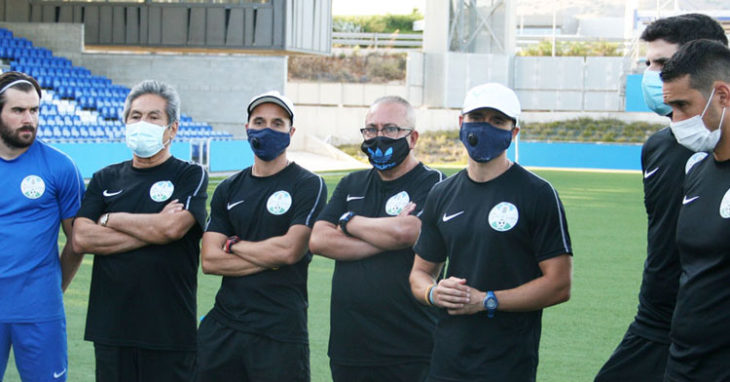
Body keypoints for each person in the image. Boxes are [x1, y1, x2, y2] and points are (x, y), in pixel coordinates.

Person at [595, 14, 728, 381]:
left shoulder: (716, 145)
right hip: (655, 320)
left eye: (664, 63)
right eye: (648, 63)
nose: (652, 75)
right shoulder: (656, 147)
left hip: (707, 332)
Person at [409, 83, 573, 381]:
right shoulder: (441, 193)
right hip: (447, 361)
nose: (485, 128)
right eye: (477, 118)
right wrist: (433, 292)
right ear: (461, 123)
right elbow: (419, 274)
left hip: (508, 364)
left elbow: (559, 285)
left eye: (497, 121)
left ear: (514, 133)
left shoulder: (537, 193)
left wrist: (487, 300)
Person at [71, 80, 208, 381]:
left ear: (172, 128)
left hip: (168, 331)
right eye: (135, 116)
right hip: (110, 330)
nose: (142, 123)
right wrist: (152, 227)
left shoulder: (190, 175)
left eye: (153, 117)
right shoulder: (105, 178)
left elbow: (172, 229)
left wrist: (108, 219)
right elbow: (81, 237)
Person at [309, 95, 444, 382]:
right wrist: (386, 236)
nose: (378, 137)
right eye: (371, 129)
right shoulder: (351, 184)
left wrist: (347, 222)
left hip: (411, 348)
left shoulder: (433, 183)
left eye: (391, 129)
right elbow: (319, 240)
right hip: (350, 349)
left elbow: (408, 232)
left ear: (413, 137)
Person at [196, 90, 326, 382]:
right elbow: (210, 261)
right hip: (223, 328)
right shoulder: (228, 188)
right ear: (247, 128)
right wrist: (271, 257)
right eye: (259, 121)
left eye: (277, 123)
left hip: (280, 332)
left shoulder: (308, 184)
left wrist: (235, 245)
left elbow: (290, 251)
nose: (267, 129)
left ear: (291, 132)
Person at [0, 72, 84, 381]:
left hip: (40, 309)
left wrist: (52, 287)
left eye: (34, 110)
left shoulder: (60, 167)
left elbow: (77, 240)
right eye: (18, 110)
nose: (29, 119)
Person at [660, 39, 730, 382]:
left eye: (684, 105)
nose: (677, 120)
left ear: (722, 95)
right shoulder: (696, 170)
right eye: (671, 108)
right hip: (683, 361)